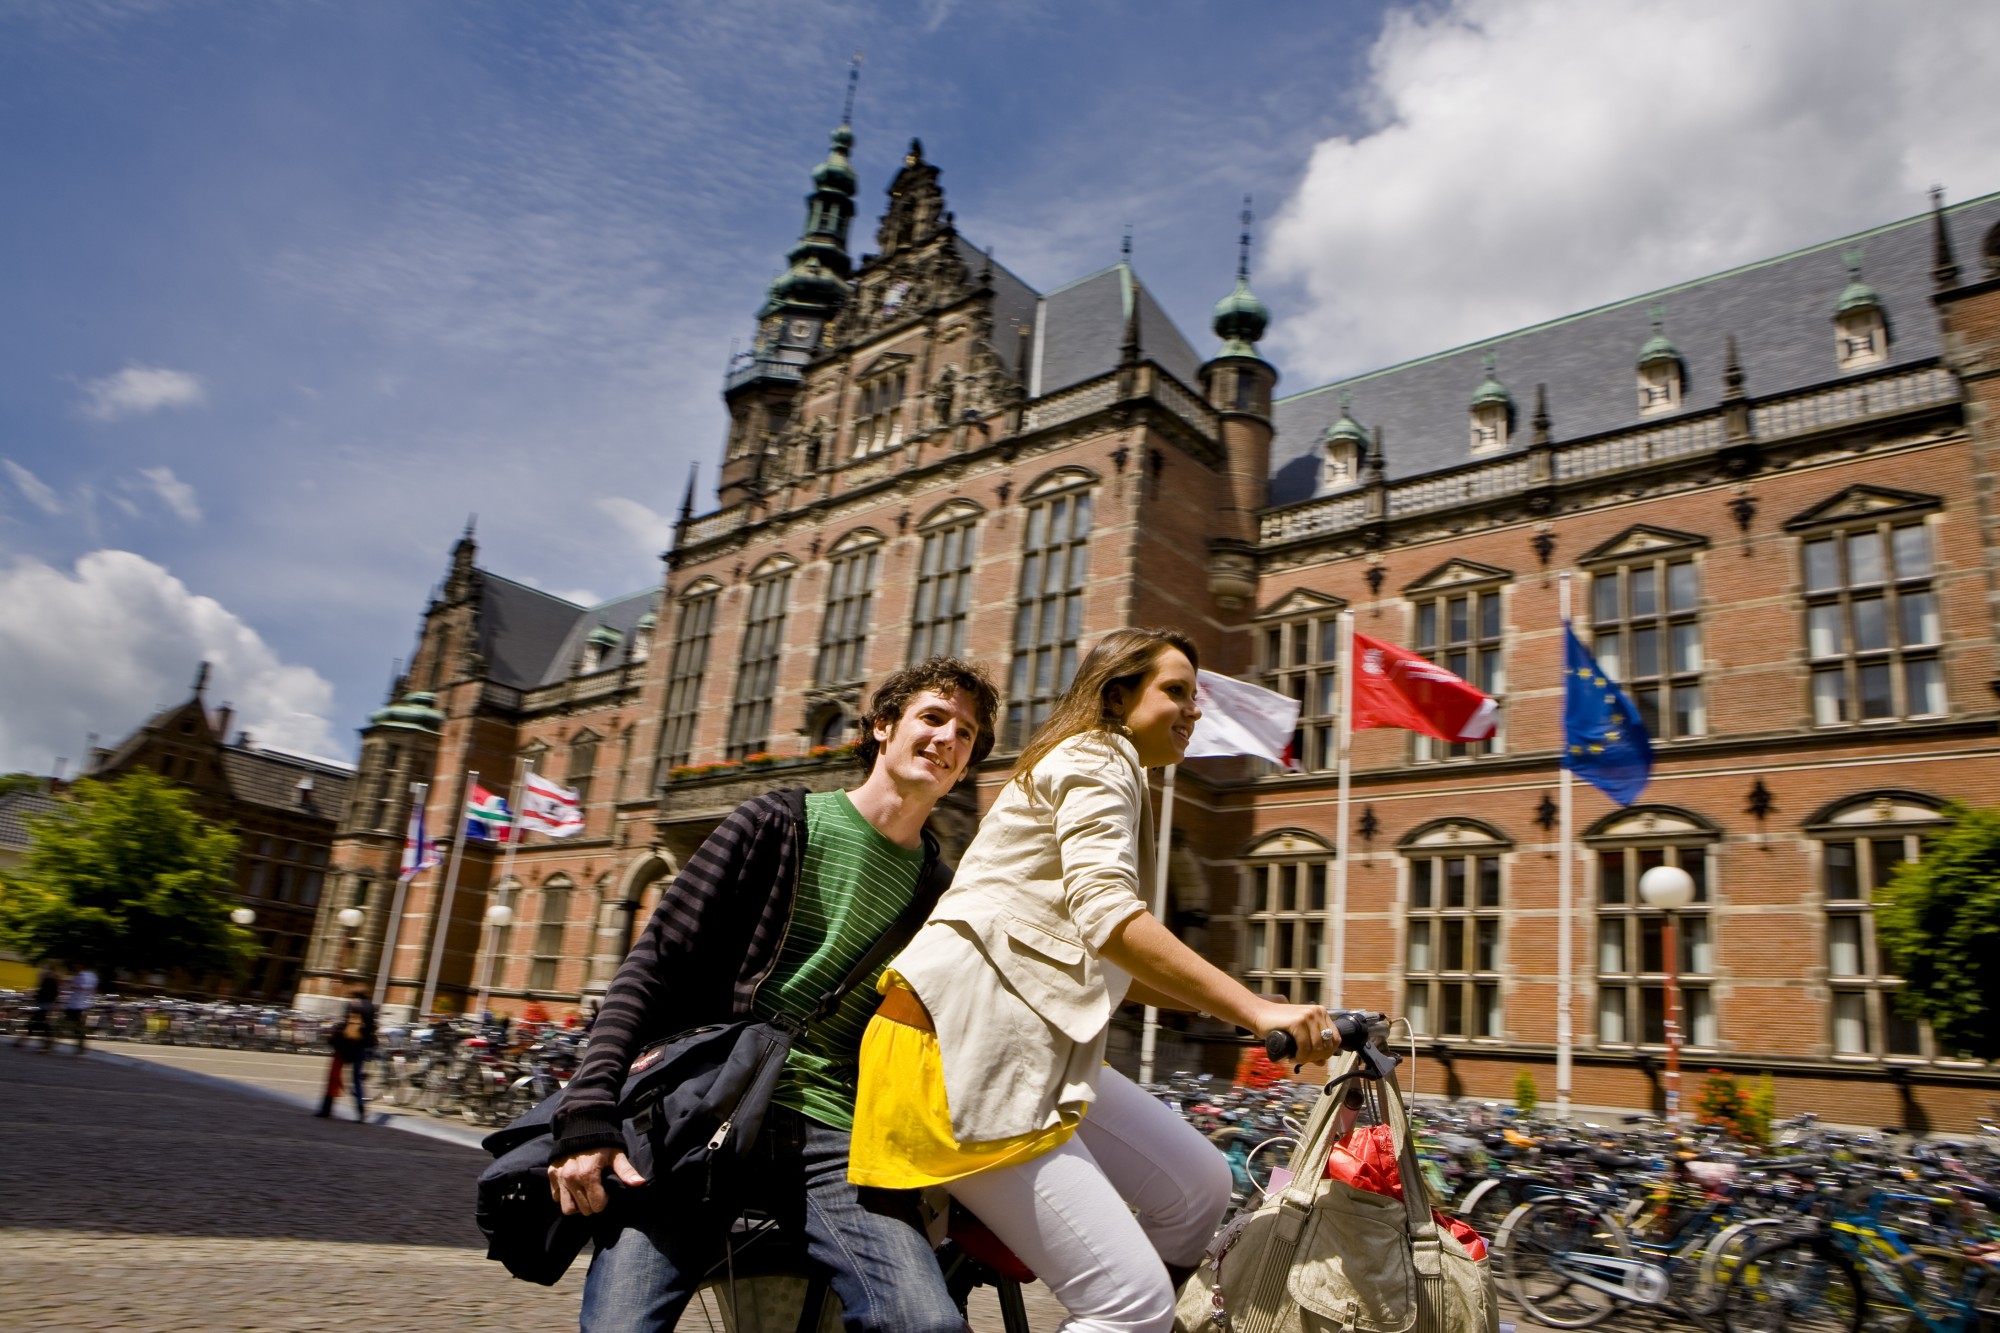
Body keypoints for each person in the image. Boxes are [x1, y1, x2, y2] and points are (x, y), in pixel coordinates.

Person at [850, 628, 1339, 1333]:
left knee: (1200, 1187)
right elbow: (1112, 917)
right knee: (1127, 1302)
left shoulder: (1116, 769)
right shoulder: (1093, 756)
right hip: (956, 1051)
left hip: (1023, 1045)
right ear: (1116, 696)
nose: (1193, 711)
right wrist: (1257, 1007)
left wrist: (1252, 1014)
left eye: (1194, 697)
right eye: (1175, 691)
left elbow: (1110, 956)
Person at [548, 657, 1000, 1333]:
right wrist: (587, 1114)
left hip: (836, 1133)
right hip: (708, 1111)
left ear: (967, 766)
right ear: (882, 727)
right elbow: (652, 967)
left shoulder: (940, 893)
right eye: (933, 717)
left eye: (965, 733)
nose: (947, 738)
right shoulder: (775, 822)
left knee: (929, 1324)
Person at [317, 988, 376, 1120]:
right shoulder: (371, 1007)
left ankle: (326, 1109)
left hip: (346, 1045)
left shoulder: (353, 1004)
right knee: (357, 1080)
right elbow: (372, 1028)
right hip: (361, 1046)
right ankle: (361, 1111)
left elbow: (345, 1023)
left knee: (334, 1075)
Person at [13, 964, 60, 1051]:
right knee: (39, 1024)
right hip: (43, 1004)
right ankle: (47, 1043)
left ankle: (22, 1041)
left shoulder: (51, 980)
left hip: (45, 1005)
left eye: (46, 969)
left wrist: (51, 1005)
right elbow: (44, 993)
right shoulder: (48, 980)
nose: (44, 971)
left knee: (35, 1023)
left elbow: (51, 994)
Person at [61, 963, 97, 1053]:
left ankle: (81, 1046)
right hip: (73, 1005)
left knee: (77, 1027)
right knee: (72, 1026)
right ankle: (80, 1046)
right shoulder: (80, 976)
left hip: (79, 1005)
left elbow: (88, 988)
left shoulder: (85, 976)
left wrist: (76, 986)